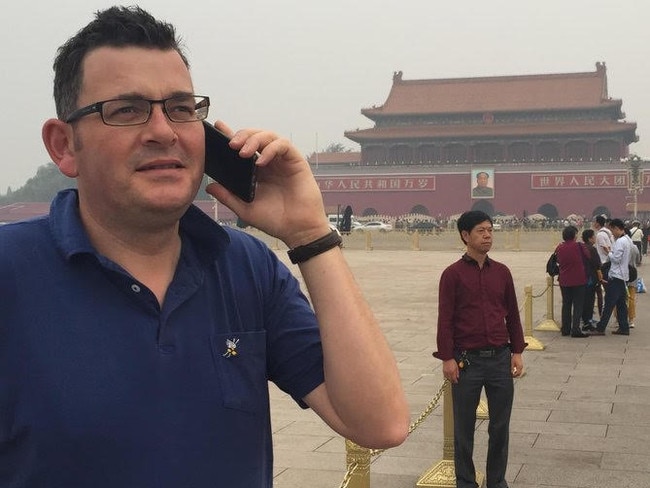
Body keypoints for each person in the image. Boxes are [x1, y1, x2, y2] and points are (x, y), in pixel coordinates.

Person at [0, 7, 409, 487]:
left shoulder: (247, 269)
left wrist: (309, 235)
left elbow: (379, 423)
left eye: (180, 108)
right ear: (64, 145)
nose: (163, 131)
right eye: (127, 110)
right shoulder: (11, 271)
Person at [434, 210, 526, 488]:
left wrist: (517, 351)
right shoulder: (452, 275)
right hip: (466, 362)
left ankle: (496, 481)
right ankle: (465, 481)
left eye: (490, 230)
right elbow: (445, 319)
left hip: (499, 359)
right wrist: (447, 357)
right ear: (465, 236)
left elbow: (512, 313)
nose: (487, 235)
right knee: (463, 429)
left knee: (500, 427)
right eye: (480, 231)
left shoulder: (502, 272)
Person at [591, 219, 633, 336]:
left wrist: (609, 252)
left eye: (612, 230)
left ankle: (601, 328)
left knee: (609, 303)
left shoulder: (620, 242)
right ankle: (624, 327)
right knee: (621, 304)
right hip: (623, 275)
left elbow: (616, 259)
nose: (612, 233)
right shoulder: (628, 240)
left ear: (616, 228)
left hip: (616, 275)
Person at [554, 226, 591, 338]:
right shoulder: (579, 246)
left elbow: (558, 260)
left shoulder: (559, 247)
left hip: (564, 280)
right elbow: (588, 257)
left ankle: (565, 329)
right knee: (578, 305)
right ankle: (575, 329)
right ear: (574, 235)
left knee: (566, 304)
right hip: (579, 279)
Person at [580, 229, 603, 331]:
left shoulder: (581, 247)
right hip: (590, 278)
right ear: (589, 238)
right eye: (594, 236)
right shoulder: (592, 249)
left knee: (584, 300)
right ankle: (587, 322)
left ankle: (584, 320)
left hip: (582, 278)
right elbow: (597, 264)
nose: (595, 238)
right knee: (589, 301)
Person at [626, 230, 641, 328]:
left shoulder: (617, 245)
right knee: (631, 298)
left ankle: (618, 318)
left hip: (620, 275)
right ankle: (631, 320)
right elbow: (638, 260)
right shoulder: (634, 247)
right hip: (632, 274)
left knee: (619, 297)